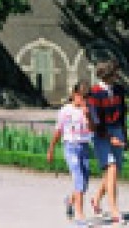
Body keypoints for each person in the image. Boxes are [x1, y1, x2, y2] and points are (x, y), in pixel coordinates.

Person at [86, 59, 128, 226]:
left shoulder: (119, 91)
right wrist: (111, 138)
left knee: (113, 172)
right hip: (101, 134)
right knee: (111, 167)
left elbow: (123, 115)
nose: (118, 75)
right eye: (116, 72)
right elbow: (96, 122)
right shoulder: (94, 93)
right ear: (108, 74)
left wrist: (124, 135)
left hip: (117, 130)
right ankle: (115, 211)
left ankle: (96, 200)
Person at [47, 81, 94, 227]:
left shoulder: (89, 109)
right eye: (81, 97)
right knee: (79, 180)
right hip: (70, 147)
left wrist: (88, 116)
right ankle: (80, 216)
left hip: (84, 147)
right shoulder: (65, 111)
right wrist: (51, 149)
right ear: (74, 95)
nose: (83, 100)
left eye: (86, 98)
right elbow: (58, 131)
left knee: (84, 183)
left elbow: (92, 129)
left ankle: (70, 200)